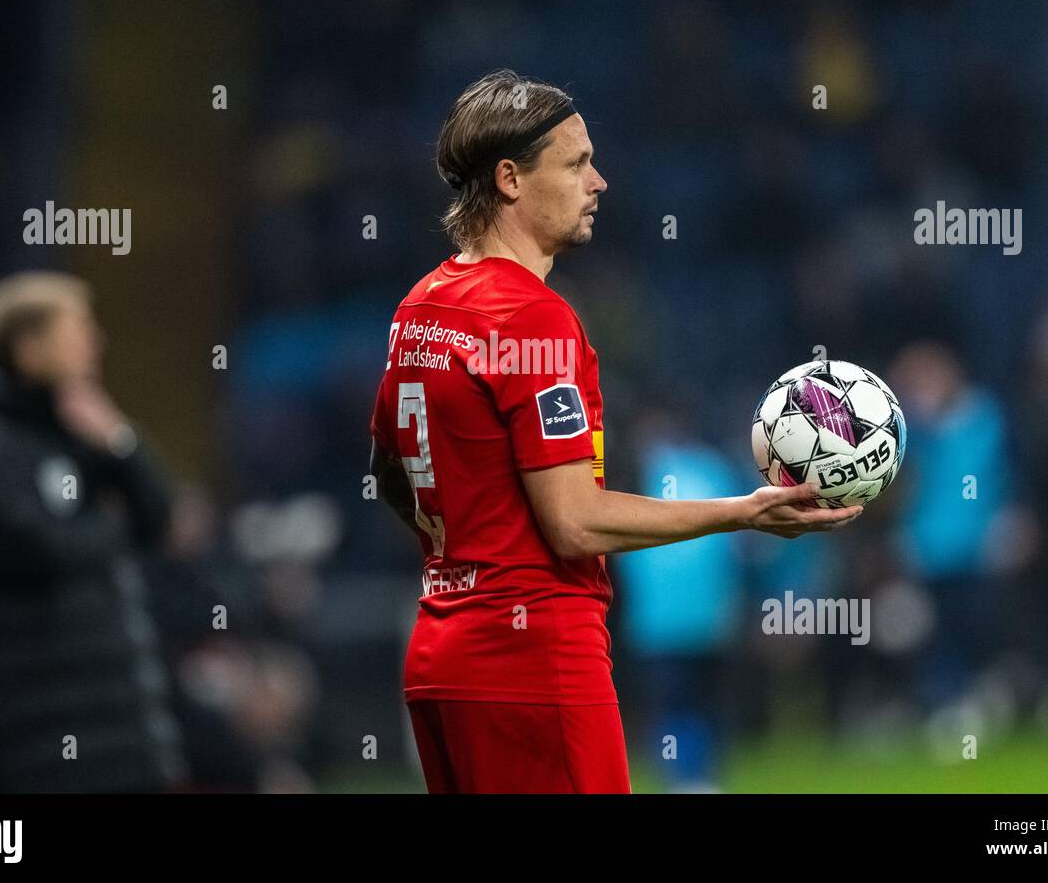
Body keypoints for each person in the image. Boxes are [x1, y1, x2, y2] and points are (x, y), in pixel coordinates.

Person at [368, 70, 862, 794]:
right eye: (575, 163)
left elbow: (389, 471)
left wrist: (474, 541)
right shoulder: (531, 318)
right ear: (509, 179)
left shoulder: (421, 308)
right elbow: (573, 523)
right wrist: (743, 514)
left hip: (443, 653)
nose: (598, 181)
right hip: (533, 657)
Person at [0, 271, 186, 791]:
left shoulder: (82, 434)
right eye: (77, 331)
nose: (95, 342)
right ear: (30, 349)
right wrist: (108, 525)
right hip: (37, 746)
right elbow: (47, 549)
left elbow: (160, 522)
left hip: (120, 731)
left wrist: (122, 444)